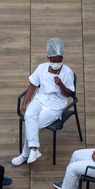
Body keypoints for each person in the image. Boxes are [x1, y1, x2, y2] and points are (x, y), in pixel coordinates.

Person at [12, 37, 76, 166]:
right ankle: (34, 149)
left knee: (33, 124)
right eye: (54, 60)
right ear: (48, 57)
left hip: (55, 104)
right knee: (29, 115)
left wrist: (61, 84)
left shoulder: (68, 72)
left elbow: (69, 94)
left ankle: (26, 153)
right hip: (40, 98)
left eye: (59, 60)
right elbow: (32, 86)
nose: (57, 63)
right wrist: (24, 104)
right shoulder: (41, 68)